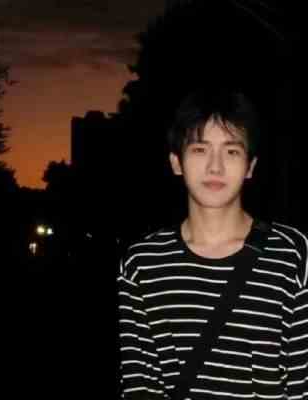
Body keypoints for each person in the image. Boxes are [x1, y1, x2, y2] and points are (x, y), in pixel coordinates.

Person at [117, 88, 308, 399]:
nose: (215, 167)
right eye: (200, 149)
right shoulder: (142, 264)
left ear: (250, 166)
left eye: (231, 151)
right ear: (176, 162)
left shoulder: (293, 255)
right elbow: (140, 385)